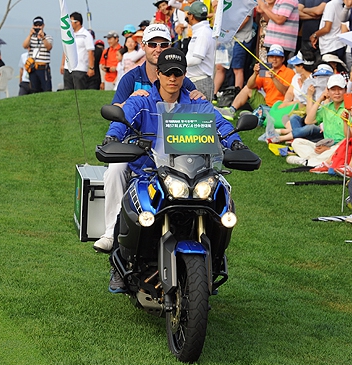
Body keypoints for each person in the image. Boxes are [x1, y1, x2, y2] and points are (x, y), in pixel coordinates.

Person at [103, 48, 248, 292]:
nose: (172, 78)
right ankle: (119, 265)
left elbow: (218, 122)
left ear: (183, 75)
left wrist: (234, 141)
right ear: (157, 73)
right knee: (133, 205)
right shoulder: (142, 101)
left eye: (178, 73)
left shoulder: (196, 103)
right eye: (168, 73)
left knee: (222, 200)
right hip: (148, 171)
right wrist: (112, 138)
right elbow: (121, 121)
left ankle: (215, 258)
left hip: (191, 172)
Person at [93, 24, 203, 253]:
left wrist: (198, 96)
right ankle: (111, 232)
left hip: (174, 147)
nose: (157, 48)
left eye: (163, 44)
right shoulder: (131, 77)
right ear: (144, 46)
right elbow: (116, 109)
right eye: (152, 44)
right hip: (135, 145)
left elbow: (193, 104)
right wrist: (131, 101)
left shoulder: (179, 77)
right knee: (115, 169)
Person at [216, 44, 295, 120]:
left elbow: (285, 92)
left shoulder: (289, 72)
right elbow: (250, 86)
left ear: (283, 59)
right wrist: (255, 73)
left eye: (277, 57)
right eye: (271, 56)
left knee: (264, 114)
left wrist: (273, 78)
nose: (274, 59)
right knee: (247, 88)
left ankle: (254, 115)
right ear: (268, 58)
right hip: (265, 103)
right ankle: (232, 110)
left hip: (279, 107)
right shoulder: (265, 70)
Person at [184, 1, 216, 99]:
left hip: (199, 82)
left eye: (188, 13)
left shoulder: (202, 33)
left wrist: (178, 63)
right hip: (198, 80)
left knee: (199, 114)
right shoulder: (203, 31)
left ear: (192, 16)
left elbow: (197, 59)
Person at [60, 12, 95, 90]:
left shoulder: (86, 35)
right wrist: (62, 64)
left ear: (78, 22)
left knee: (79, 91)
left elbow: (90, 52)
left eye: (71, 22)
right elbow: (66, 49)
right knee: (67, 90)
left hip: (80, 68)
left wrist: (91, 68)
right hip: (68, 68)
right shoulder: (69, 34)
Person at [22, 16, 53, 93]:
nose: (38, 27)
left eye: (39, 25)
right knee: (34, 89)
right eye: (36, 25)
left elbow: (49, 47)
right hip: (33, 67)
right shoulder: (31, 38)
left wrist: (43, 38)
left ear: (43, 26)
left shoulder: (48, 37)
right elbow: (24, 45)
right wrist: (30, 35)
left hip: (43, 67)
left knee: (46, 89)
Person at [310, 0, 347, 64]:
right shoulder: (342, 3)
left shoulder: (331, 5)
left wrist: (314, 35)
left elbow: (327, 28)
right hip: (339, 44)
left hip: (330, 46)